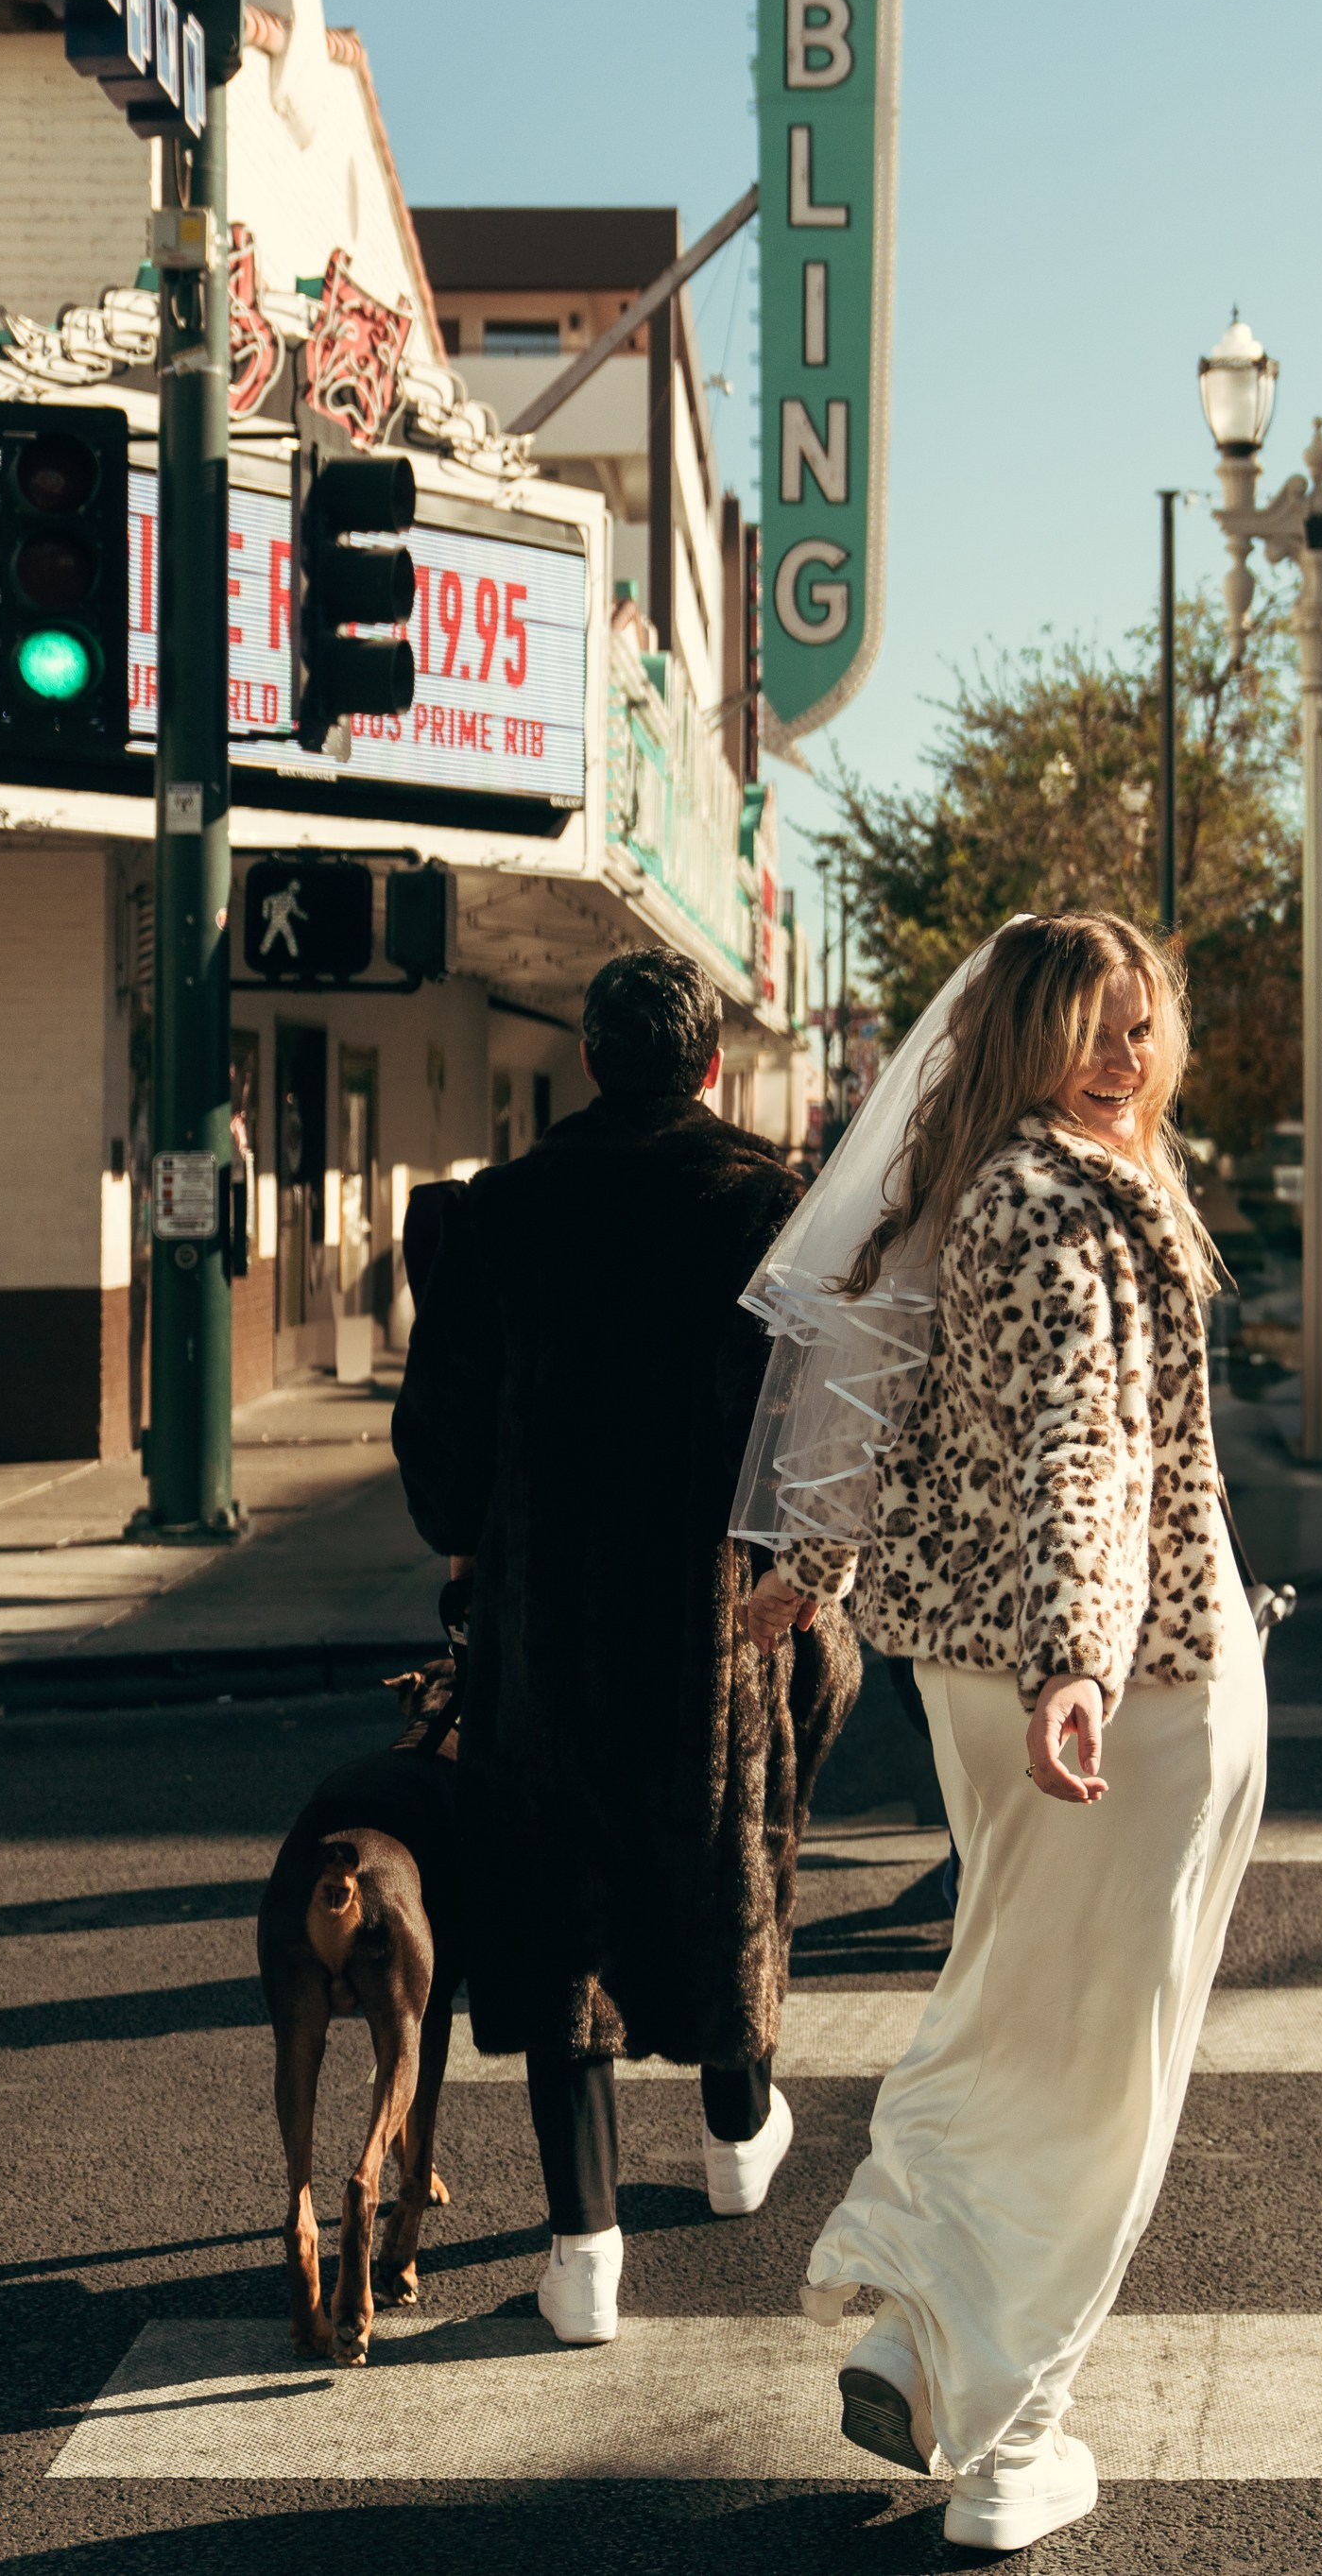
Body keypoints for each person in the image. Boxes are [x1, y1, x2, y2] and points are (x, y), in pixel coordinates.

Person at [737, 912, 1268, 2552]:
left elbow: (891, 1392)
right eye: (1095, 1026)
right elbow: (1075, 1443)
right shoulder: (1068, 1200)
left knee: (1016, 1995)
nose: (1128, 1055)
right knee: (1107, 2056)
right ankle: (1015, 2435)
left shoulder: (975, 1185)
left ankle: (923, 2331)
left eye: (1144, 1024)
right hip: (1131, 1674)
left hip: (991, 1668)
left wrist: (817, 1567)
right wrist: (1078, 1664)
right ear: (1027, 1036)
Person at [392, 947, 859, 2347]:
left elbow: (443, 1441)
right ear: (710, 1068)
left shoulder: (506, 1213)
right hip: (716, 1607)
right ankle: (734, 2132)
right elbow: (820, 1426)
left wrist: (470, 1548)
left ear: (590, 1059)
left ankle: (583, 2246)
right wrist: (798, 1574)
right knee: (732, 1852)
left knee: (558, 1888)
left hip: (549, 1611)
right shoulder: (769, 1208)